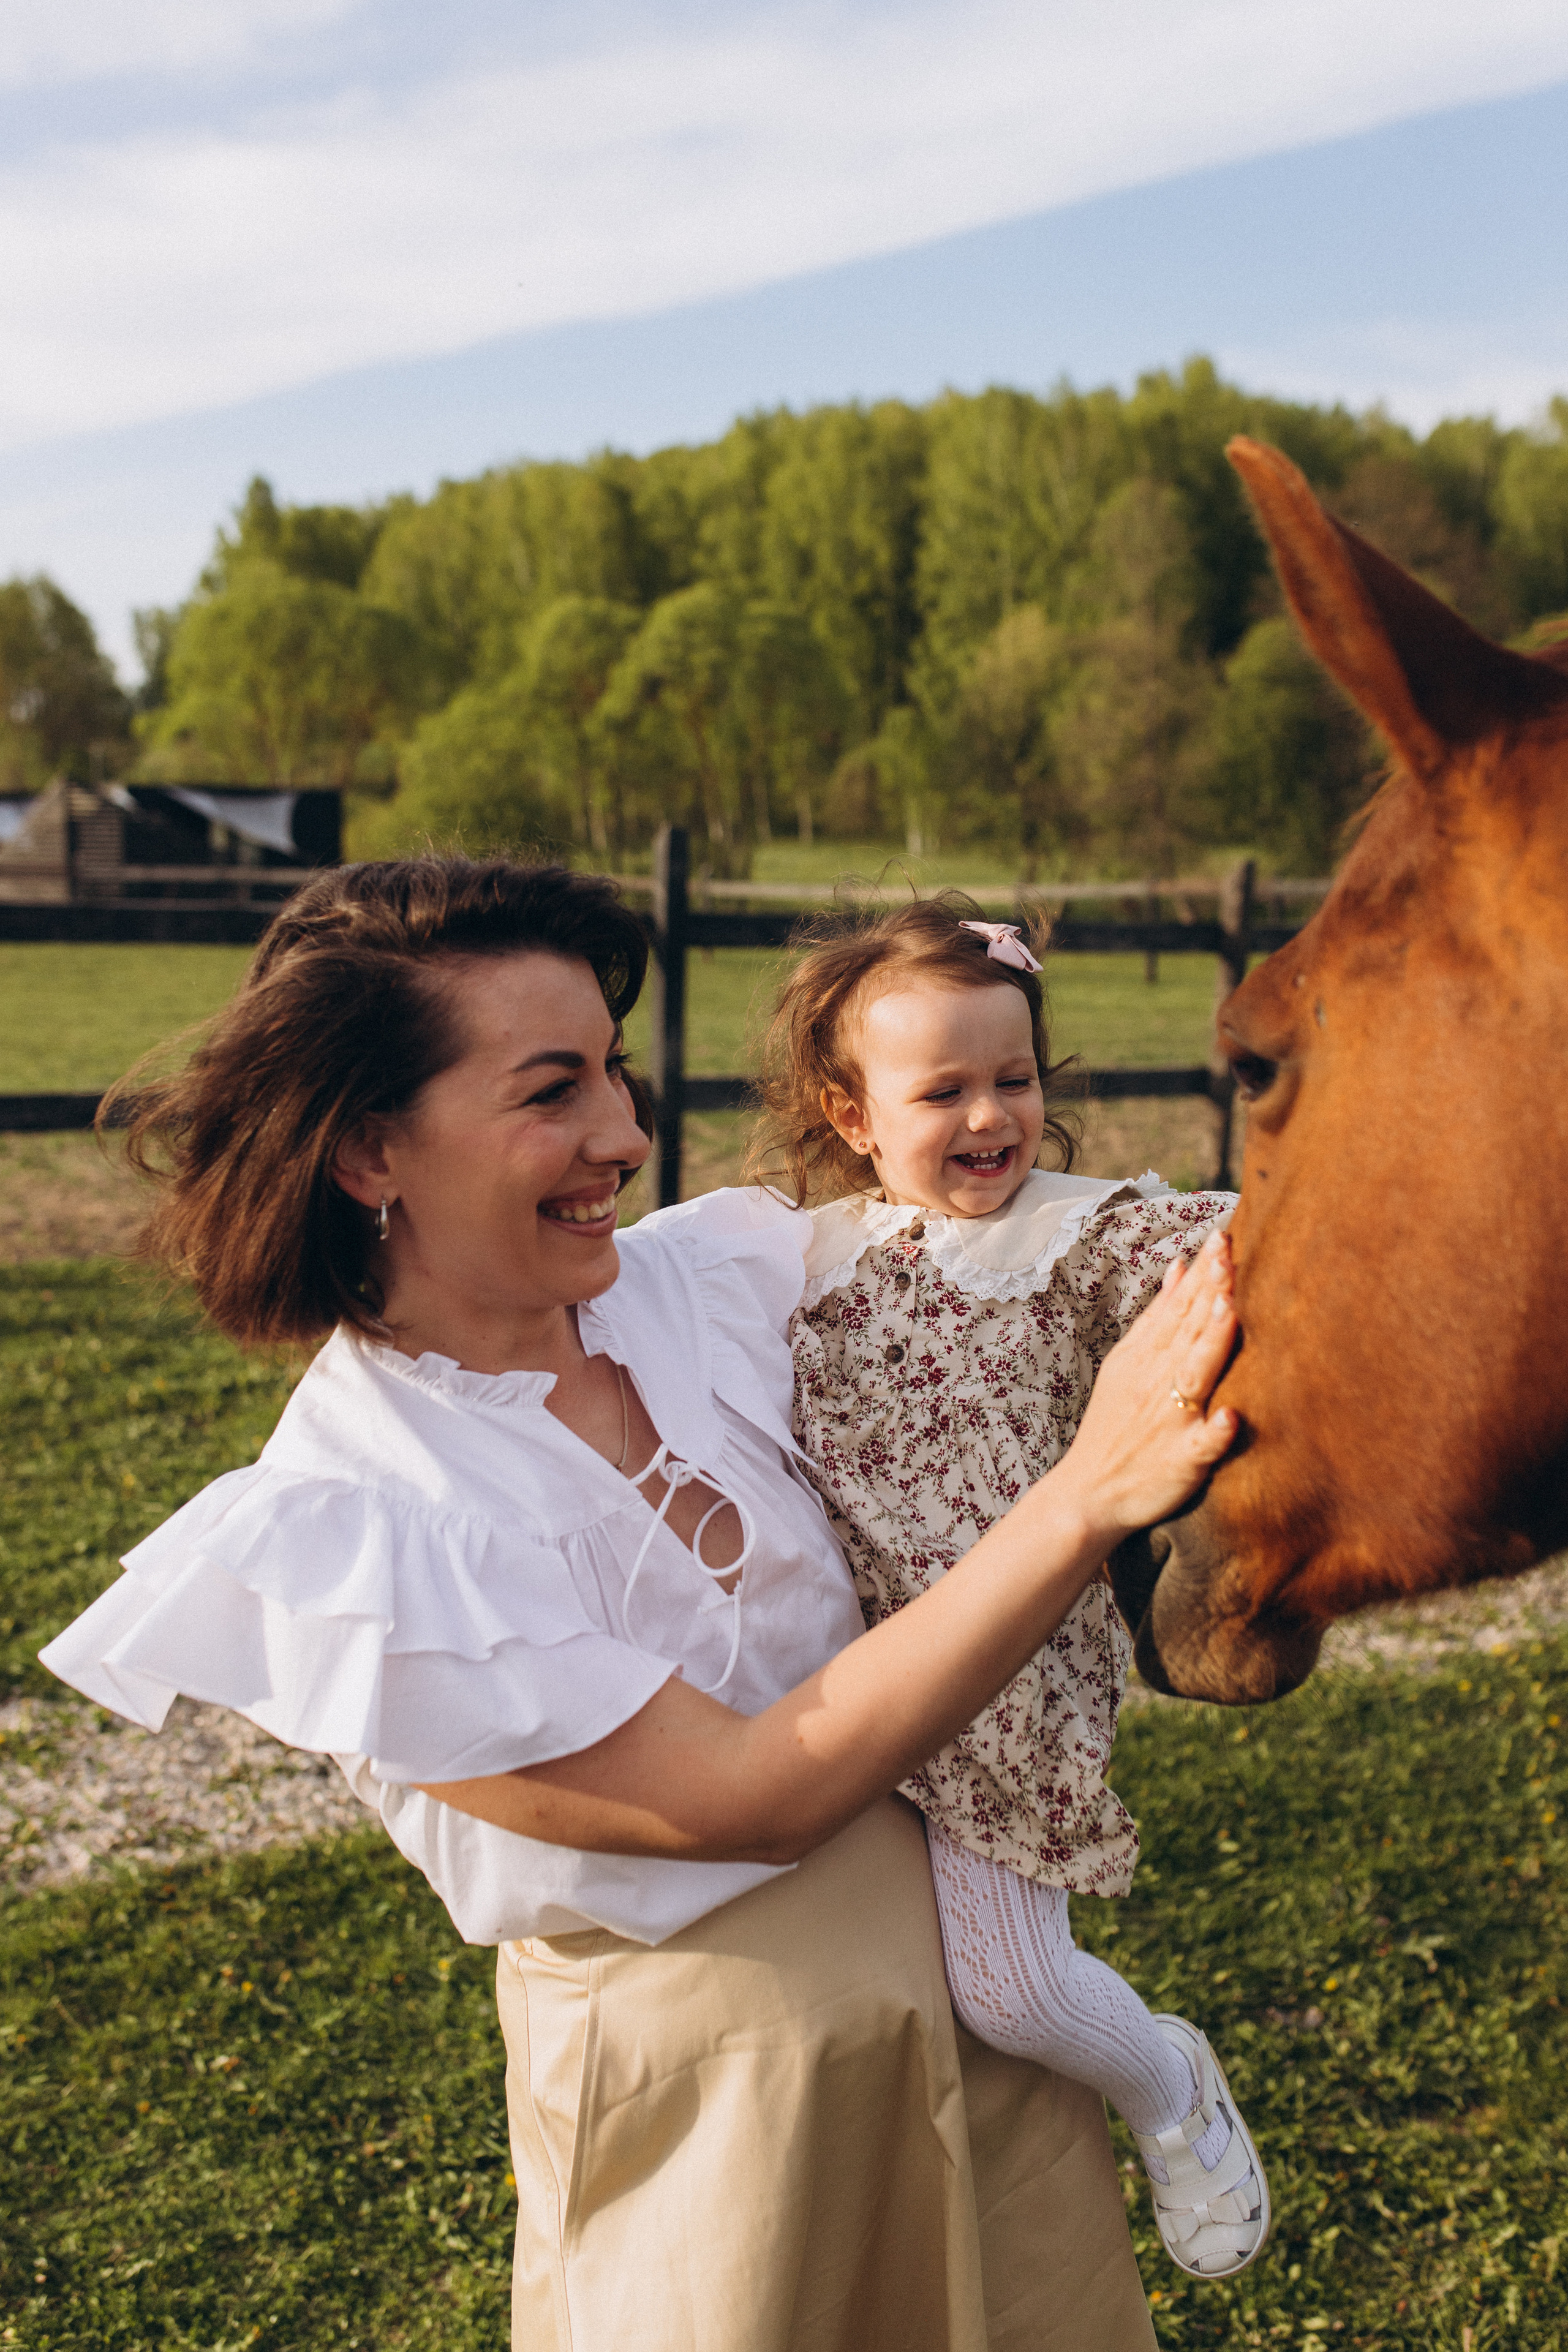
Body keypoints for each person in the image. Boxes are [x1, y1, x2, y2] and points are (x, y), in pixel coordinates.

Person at [40, 858, 1239, 2352]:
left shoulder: (713, 1279)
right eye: (553, 1092)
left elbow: (1004, 1247)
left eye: (612, 1069)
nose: (623, 1129)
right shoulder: (361, 1525)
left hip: (980, 2012)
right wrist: (1082, 1498)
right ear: (368, 1153)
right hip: (727, 2122)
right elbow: (746, 1797)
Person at [744, 893, 1268, 2280]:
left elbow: (1242, 1254)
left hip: (1003, 1678)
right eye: (946, 1091)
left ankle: (1167, 2084)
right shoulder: (805, 1256)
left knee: (1011, 1987)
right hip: (847, 1673)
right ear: (851, 1116)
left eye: (1015, 1079)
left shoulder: (1070, 1236)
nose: (991, 1117)